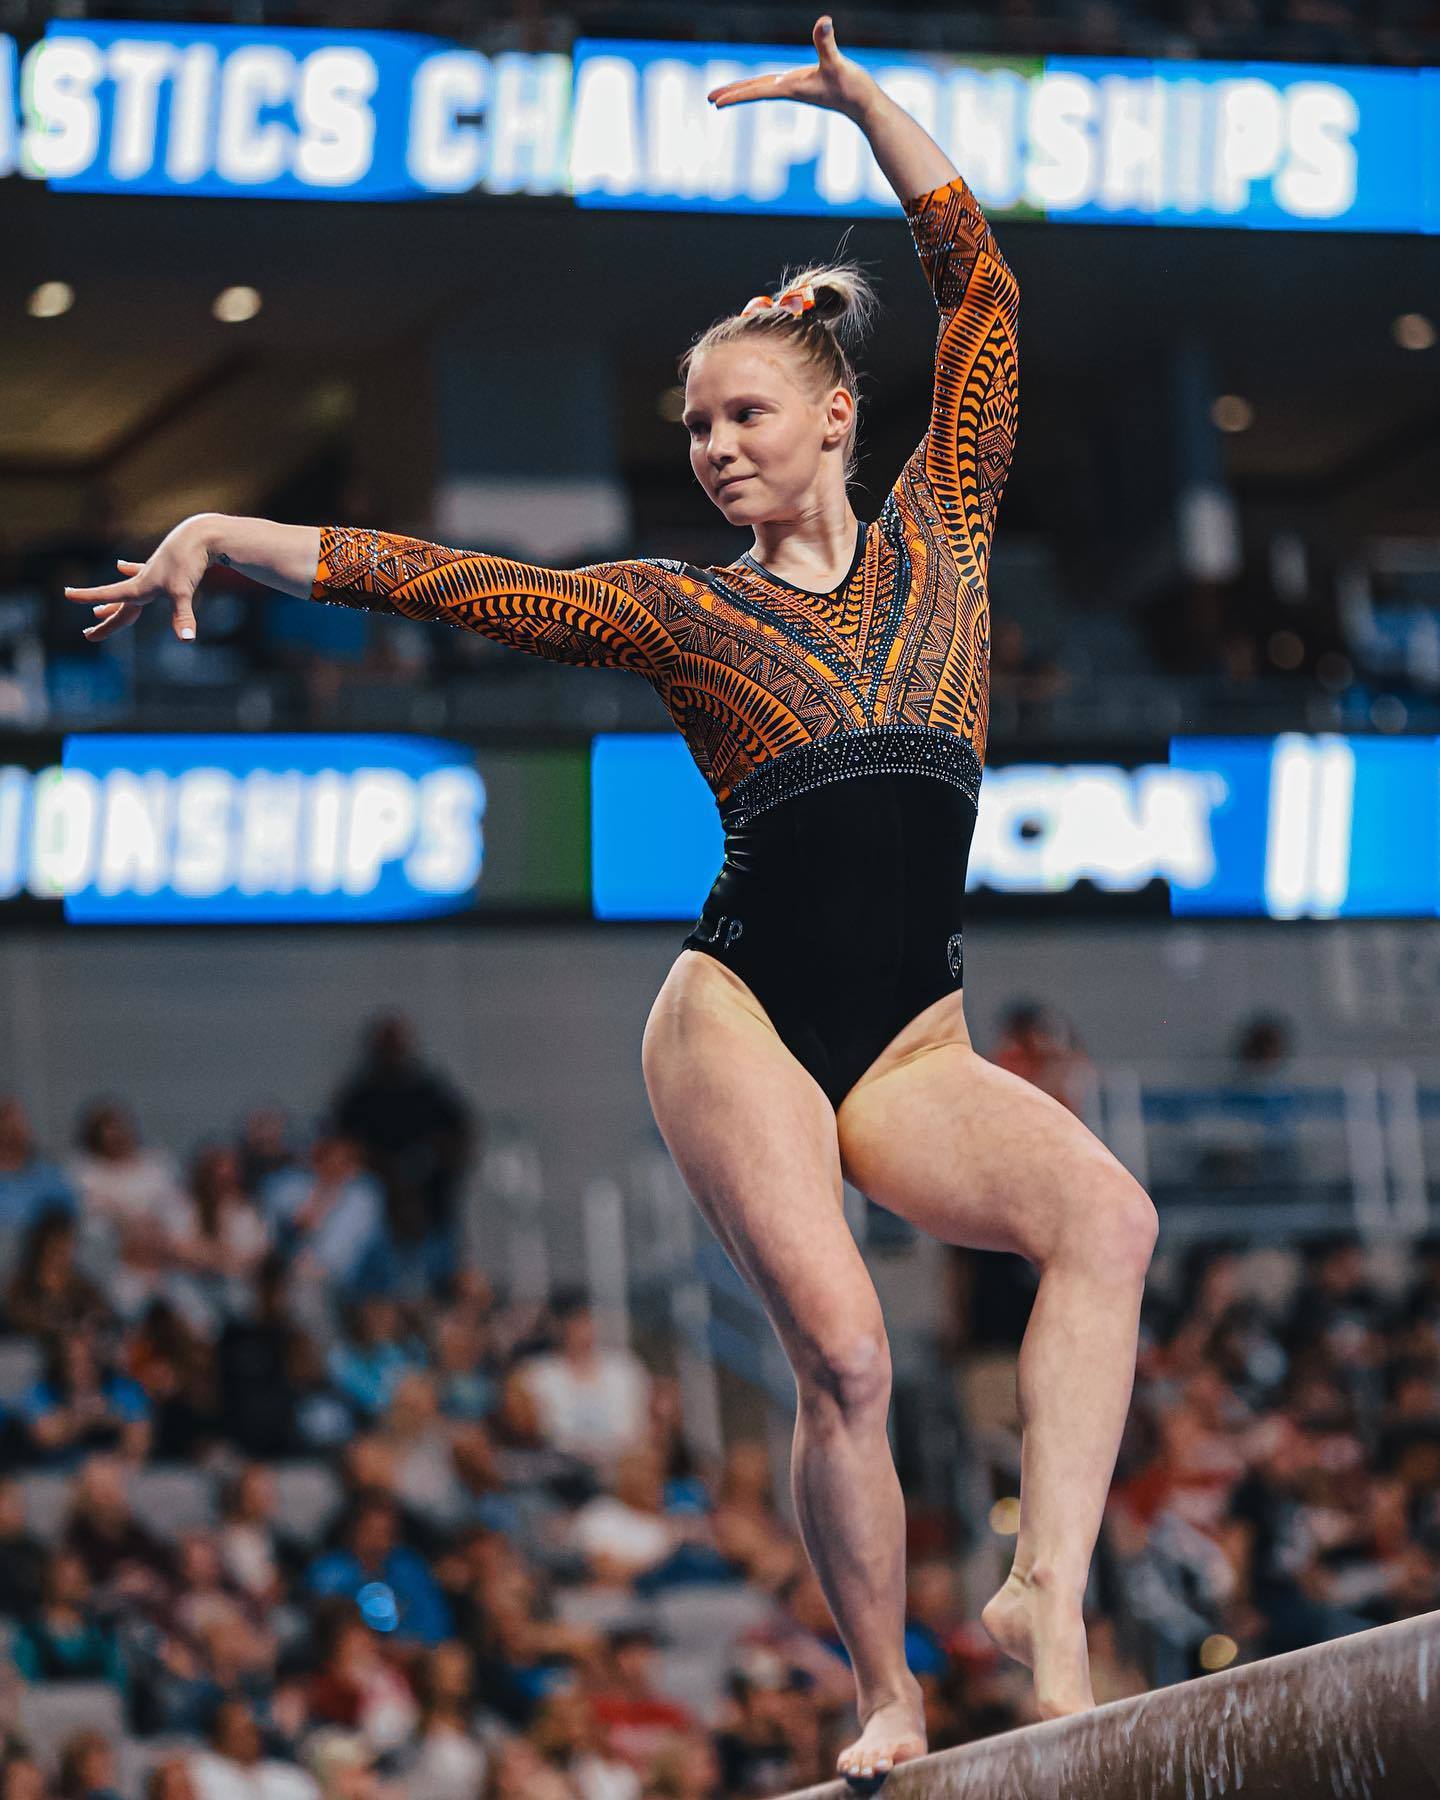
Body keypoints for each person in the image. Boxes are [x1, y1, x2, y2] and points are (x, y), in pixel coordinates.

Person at [66, 16, 1160, 1784]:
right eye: (696, 426)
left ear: (837, 417)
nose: (715, 447)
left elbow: (984, 289)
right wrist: (232, 537)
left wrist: (870, 108)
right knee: (848, 1358)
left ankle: (1048, 1589)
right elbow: (464, 585)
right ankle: (886, 1691)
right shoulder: (682, 608)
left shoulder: (947, 535)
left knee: (1109, 1222)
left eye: (746, 415)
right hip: (738, 1020)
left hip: (914, 1043)